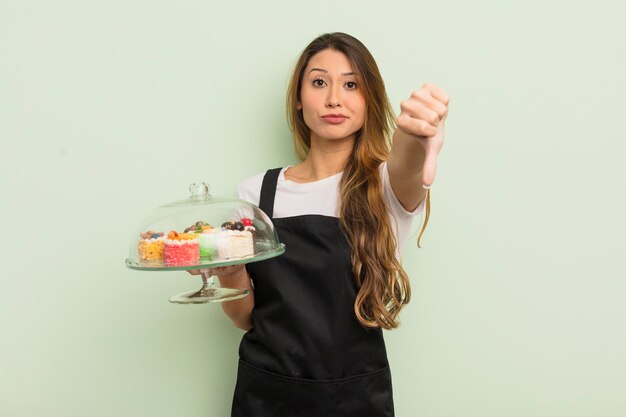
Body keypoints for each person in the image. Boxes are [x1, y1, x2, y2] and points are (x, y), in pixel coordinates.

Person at [209, 32, 448, 416]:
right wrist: (230, 271)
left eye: (351, 84)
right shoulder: (256, 193)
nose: (334, 98)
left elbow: (407, 162)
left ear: (369, 100)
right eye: (319, 82)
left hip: (354, 398)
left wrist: (414, 133)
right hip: (266, 393)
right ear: (300, 100)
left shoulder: (385, 184)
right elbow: (245, 317)